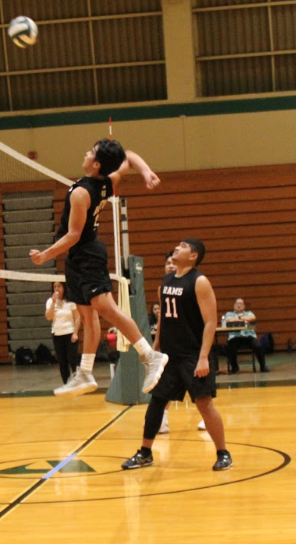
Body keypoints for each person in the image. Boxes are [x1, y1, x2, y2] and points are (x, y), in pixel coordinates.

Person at [30, 138, 167, 397]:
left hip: (87, 253)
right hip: (76, 259)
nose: (85, 153)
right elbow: (129, 156)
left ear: (96, 164)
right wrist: (146, 171)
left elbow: (73, 234)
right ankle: (85, 372)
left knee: (105, 308)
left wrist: (45, 255)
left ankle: (150, 357)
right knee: (88, 314)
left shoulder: (81, 192)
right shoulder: (107, 181)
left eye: (90, 152)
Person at [122, 238, 232, 471]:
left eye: (183, 246)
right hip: (169, 356)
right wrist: (156, 345)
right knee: (157, 402)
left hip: (193, 355)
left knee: (204, 404)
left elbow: (211, 322)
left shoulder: (200, 281)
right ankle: (145, 453)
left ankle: (223, 453)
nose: (177, 248)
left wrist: (203, 357)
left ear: (193, 256)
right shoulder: (167, 280)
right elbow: (163, 317)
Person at [45, 281, 81, 384]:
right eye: (54, 286)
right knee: (62, 362)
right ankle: (66, 384)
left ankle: (77, 383)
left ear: (63, 287)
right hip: (57, 335)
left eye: (59, 286)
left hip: (70, 334)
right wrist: (53, 302)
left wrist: (75, 333)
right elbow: (48, 317)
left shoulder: (70, 302)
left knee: (73, 360)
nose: (57, 289)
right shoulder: (50, 301)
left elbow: (78, 317)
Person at [224, 297, 269, 374]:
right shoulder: (229, 314)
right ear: (234, 305)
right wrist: (243, 319)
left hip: (249, 337)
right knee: (229, 346)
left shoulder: (249, 313)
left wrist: (238, 318)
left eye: (241, 304)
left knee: (258, 346)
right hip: (235, 337)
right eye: (237, 304)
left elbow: (252, 318)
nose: (239, 305)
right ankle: (234, 367)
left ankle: (263, 367)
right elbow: (229, 320)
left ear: (244, 306)